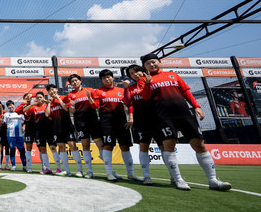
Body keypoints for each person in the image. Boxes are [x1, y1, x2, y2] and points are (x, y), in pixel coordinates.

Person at [139, 53, 231, 191]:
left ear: (159, 62)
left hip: (184, 114)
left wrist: (196, 106)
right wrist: (147, 83)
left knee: (199, 145)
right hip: (164, 117)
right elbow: (145, 97)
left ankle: (213, 180)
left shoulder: (173, 75)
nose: (152, 65)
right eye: (148, 64)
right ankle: (178, 179)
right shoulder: (144, 80)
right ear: (144, 67)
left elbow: (186, 92)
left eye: (153, 62)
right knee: (169, 146)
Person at [92, 69, 143, 182]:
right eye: (104, 78)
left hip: (122, 122)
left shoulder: (122, 89)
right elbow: (95, 106)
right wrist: (90, 100)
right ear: (101, 80)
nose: (107, 79)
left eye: (109, 76)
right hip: (106, 123)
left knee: (125, 146)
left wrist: (130, 117)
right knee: (108, 146)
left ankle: (131, 173)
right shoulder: (98, 91)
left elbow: (128, 103)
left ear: (112, 77)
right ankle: (109, 173)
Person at [122, 64, 166, 186]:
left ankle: (174, 176)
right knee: (143, 147)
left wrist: (148, 83)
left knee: (164, 147)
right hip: (141, 120)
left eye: (136, 71)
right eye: (131, 73)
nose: (135, 74)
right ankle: (146, 176)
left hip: (158, 118)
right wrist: (126, 88)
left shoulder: (152, 81)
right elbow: (127, 102)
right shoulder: (131, 87)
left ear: (142, 71)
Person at [67, 74, 101, 179]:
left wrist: (89, 97)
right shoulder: (70, 95)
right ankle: (89, 172)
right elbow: (71, 111)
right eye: (72, 81)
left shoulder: (90, 90)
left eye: (76, 80)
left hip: (93, 121)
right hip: (80, 122)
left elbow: (96, 105)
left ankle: (110, 171)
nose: (74, 83)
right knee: (85, 145)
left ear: (80, 81)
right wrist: (72, 105)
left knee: (101, 144)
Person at [46, 84, 83, 177]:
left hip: (67, 126)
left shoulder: (64, 98)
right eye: (49, 90)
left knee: (72, 146)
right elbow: (47, 114)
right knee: (61, 147)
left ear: (57, 89)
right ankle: (67, 171)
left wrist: (58, 98)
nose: (52, 91)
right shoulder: (50, 102)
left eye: (53, 89)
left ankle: (80, 170)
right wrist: (50, 103)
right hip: (56, 127)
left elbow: (66, 109)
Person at [3, 100, 26, 171]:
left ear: (14, 105)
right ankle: (13, 166)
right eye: (9, 105)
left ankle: (24, 166)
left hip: (19, 135)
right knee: (12, 150)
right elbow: (4, 123)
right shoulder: (6, 114)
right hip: (10, 135)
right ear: (7, 107)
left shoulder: (19, 113)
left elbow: (25, 121)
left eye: (11, 105)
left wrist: (24, 126)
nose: (10, 106)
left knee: (22, 150)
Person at [15, 93, 36, 172]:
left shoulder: (36, 103)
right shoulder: (24, 107)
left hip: (38, 127)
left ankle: (45, 167)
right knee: (28, 147)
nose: (28, 99)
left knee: (42, 147)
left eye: (29, 97)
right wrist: (25, 101)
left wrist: (32, 95)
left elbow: (38, 95)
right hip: (29, 128)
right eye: (26, 98)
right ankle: (29, 167)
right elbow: (17, 110)